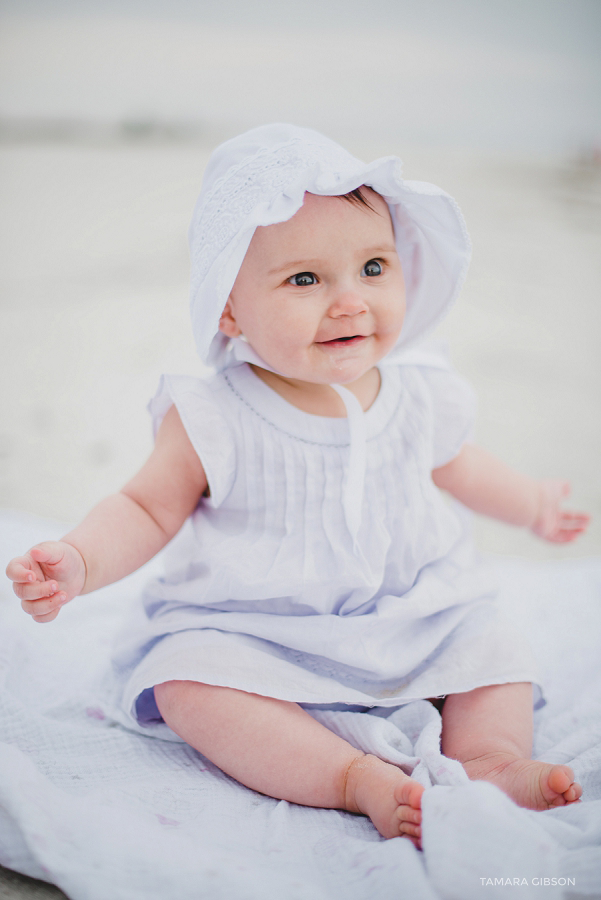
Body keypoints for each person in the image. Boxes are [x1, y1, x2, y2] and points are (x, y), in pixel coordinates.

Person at [6, 125, 590, 848]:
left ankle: (487, 759)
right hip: (258, 628)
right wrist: (81, 560)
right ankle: (349, 777)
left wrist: (535, 505)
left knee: (490, 646)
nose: (349, 302)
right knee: (189, 683)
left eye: (372, 267)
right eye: (305, 280)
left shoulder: (418, 394)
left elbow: (462, 467)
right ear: (228, 308)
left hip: (411, 608)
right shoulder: (215, 414)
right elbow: (144, 506)